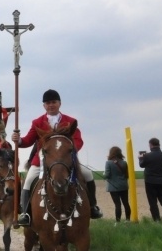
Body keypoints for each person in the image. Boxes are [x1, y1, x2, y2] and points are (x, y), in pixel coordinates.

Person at [11, 89, 103, 227]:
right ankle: (25, 213)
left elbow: (78, 140)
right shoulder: (37, 122)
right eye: (47, 103)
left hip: (65, 161)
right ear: (44, 106)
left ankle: (92, 207)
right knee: (29, 180)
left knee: (88, 174)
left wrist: (68, 151)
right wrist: (18, 141)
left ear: (59, 103)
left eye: (53, 102)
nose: (51, 105)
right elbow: (28, 140)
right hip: (42, 161)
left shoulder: (70, 121)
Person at [139, 138, 162, 222]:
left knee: (152, 202)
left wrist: (140, 158)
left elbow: (142, 165)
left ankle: (156, 219)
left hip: (150, 181)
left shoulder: (147, 156)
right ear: (159, 144)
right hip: (161, 181)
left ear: (150, 145)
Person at [103, 146, 131, 223]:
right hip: (123, 186)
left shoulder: (108, 163)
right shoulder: (124, 163)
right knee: (126, 203)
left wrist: (104, 175)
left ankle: (118, 222)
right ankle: (128, 220)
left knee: (117, 205)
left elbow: (107, 175)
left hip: (113, 187)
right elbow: (127, 175)